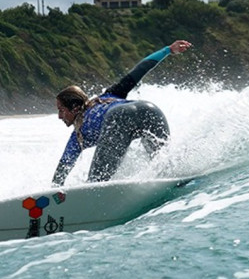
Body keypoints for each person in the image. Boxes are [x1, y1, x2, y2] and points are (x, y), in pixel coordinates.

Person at [52, 39, 191, 187]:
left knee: (95, 185)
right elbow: (140, 69)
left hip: (118, 117)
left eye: (61, 110)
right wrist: (168, 50)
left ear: (74, 109)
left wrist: (53, 196)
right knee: (166, 169)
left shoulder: (78, 135)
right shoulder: (109, 95)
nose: (60, 116)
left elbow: (62, 169)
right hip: (149, 110)